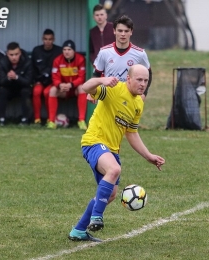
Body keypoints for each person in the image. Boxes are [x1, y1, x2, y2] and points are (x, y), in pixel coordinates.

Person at [68, 64, 165, 242]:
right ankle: (97, 217)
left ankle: (79, 231)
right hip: (93, 142)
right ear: (128, 79)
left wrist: (149, 156)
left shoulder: (138, 104)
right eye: (139, 80)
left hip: (111, 149)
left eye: (146, 80)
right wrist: (101, 80)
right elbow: (86, 87)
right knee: (114, 170)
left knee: (110, 194)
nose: (143, 84)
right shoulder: (113, 90)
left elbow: (131, 132)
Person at [90, 15, 152, 103]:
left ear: (131, 32)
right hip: (107, 99)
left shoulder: (140, 53)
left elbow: (149, 74)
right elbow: (96, 74)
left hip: (129, 100)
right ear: (114, 31)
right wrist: (92, 92)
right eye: (120, 31)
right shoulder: (104, 52)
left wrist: (144, 94)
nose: (123, 34)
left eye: (126, 31)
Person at [47, 40, 87, 129]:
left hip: (75, 88)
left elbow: (82, 77)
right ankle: (51, 121)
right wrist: (60, 85)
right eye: (64, 49)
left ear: (74, 51)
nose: (66, 52)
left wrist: (71, 84)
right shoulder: (57, 60)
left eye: (69, 49)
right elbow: (55, 77)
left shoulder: (80, 59)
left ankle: (81, 121)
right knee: (53, 90)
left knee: (82, 88)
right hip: (63, 89)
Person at [0, 42, 33, 126]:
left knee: (26, 91)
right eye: (11, 55)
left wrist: (17, 77)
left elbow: (28, 81)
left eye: (16, 54)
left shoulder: (27, 61)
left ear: (20, 53)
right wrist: (8, 78)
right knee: (2, 91)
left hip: (22, 87)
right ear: (7, 54)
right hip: (9, 87)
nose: (14, 57)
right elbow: (0, 81)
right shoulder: (2, 62)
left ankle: (25, 119)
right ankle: (2, 119)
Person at [31, 29, 62, 125]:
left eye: (50, 39)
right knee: (36, 91)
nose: (48, 41)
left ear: (54, 39)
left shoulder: (59, 51)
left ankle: (50, 118)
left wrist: (56, 82)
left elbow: (61, 69)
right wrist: (35, 80)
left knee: (47, 92)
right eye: (45, 39)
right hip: (39, 81)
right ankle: (37, 119)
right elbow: (32, 68)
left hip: (53, 82)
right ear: (42, 39)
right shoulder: (36, 51)